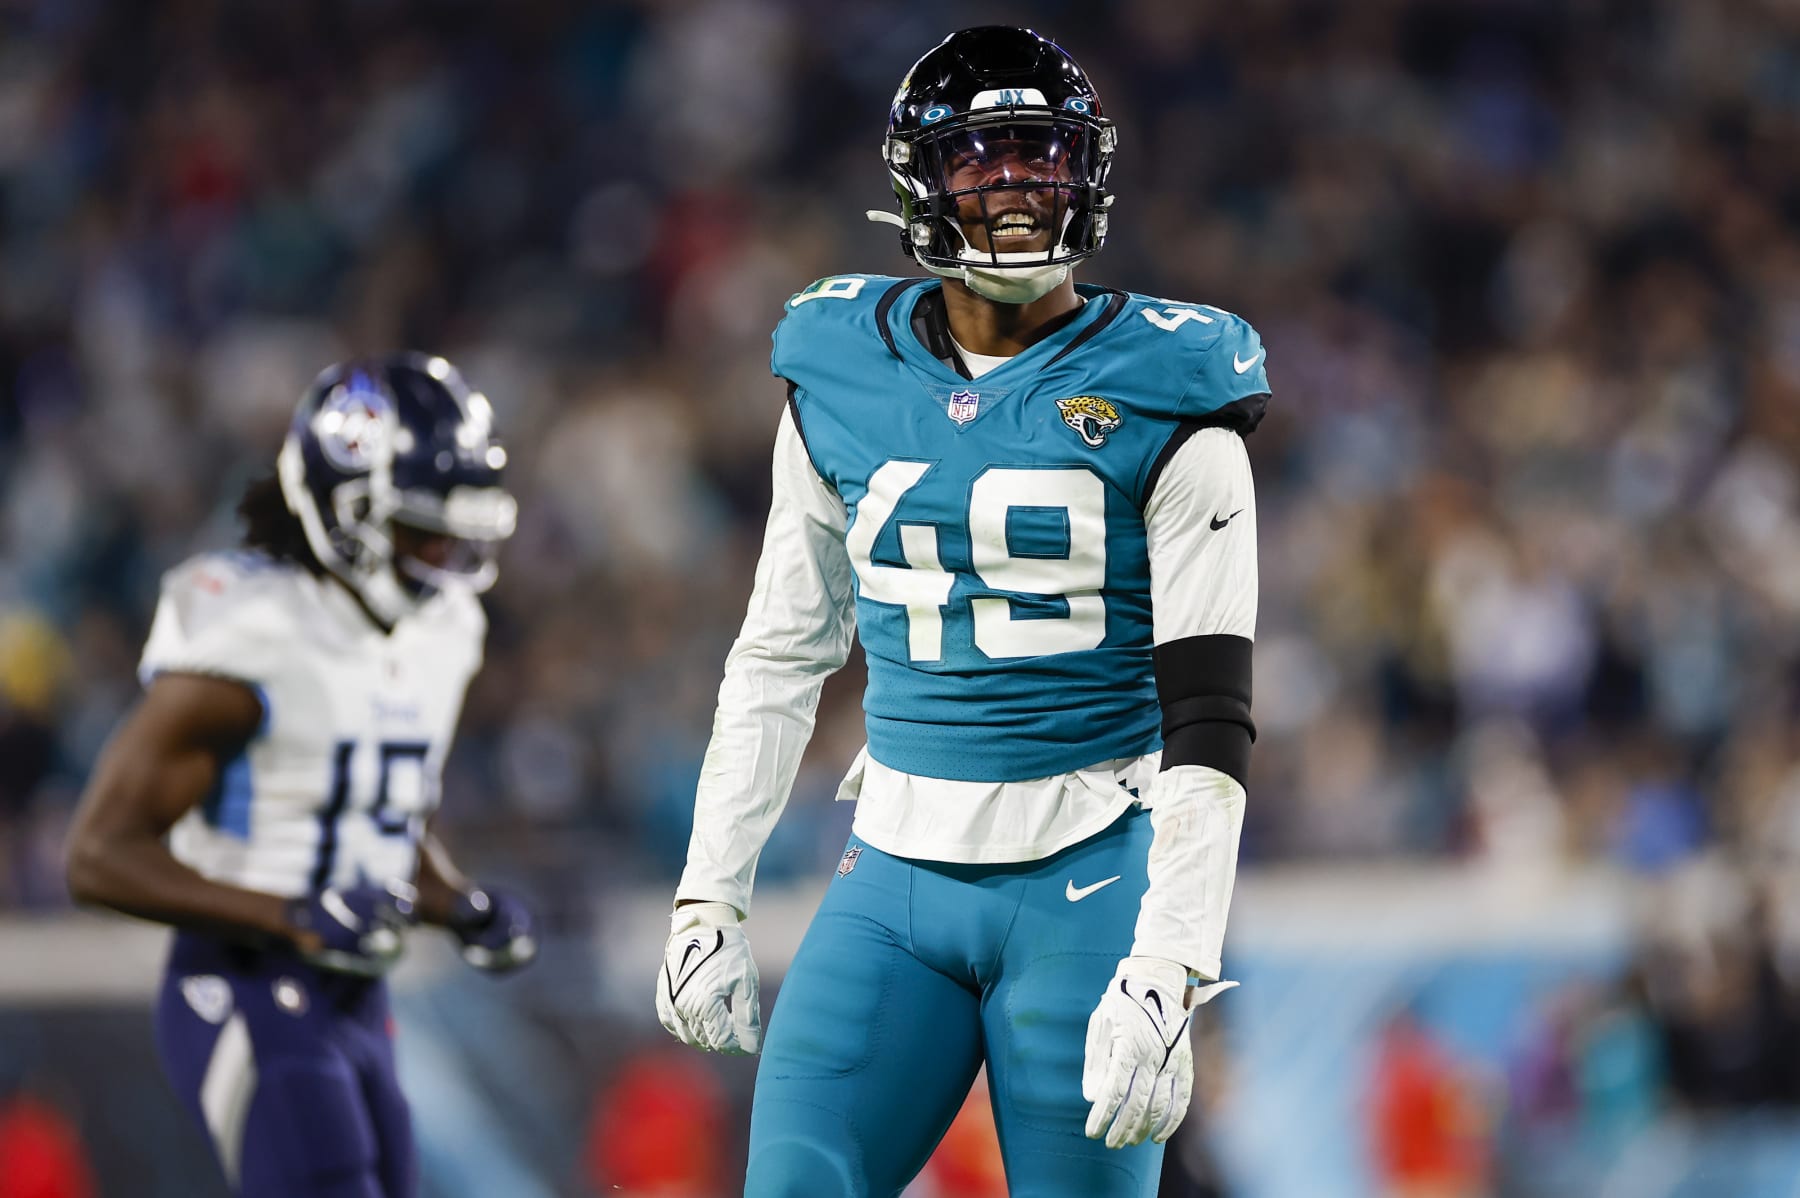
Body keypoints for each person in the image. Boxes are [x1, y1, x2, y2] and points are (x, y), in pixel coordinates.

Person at [656, 25, 1267, 1197]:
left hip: (1091, 877)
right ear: (918, 181)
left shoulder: (1174, 388)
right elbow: (781, 654)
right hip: (892, 875)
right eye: (980, 156)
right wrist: (709, 889)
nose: (1016, 182)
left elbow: (1210, 718)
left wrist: (1174, 956)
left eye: (1041, 151)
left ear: (1087, 170)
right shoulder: (839, 364)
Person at [65, 355, 538, 1198]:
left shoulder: (446, 629)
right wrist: (290, 915)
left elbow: (375, 817)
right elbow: (98, 856)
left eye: (461, 534)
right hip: (242, 979)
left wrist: (459, 904)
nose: (449, 557)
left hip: (356, 995)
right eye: (425, 532)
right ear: (350, 512)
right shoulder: (254, 629)